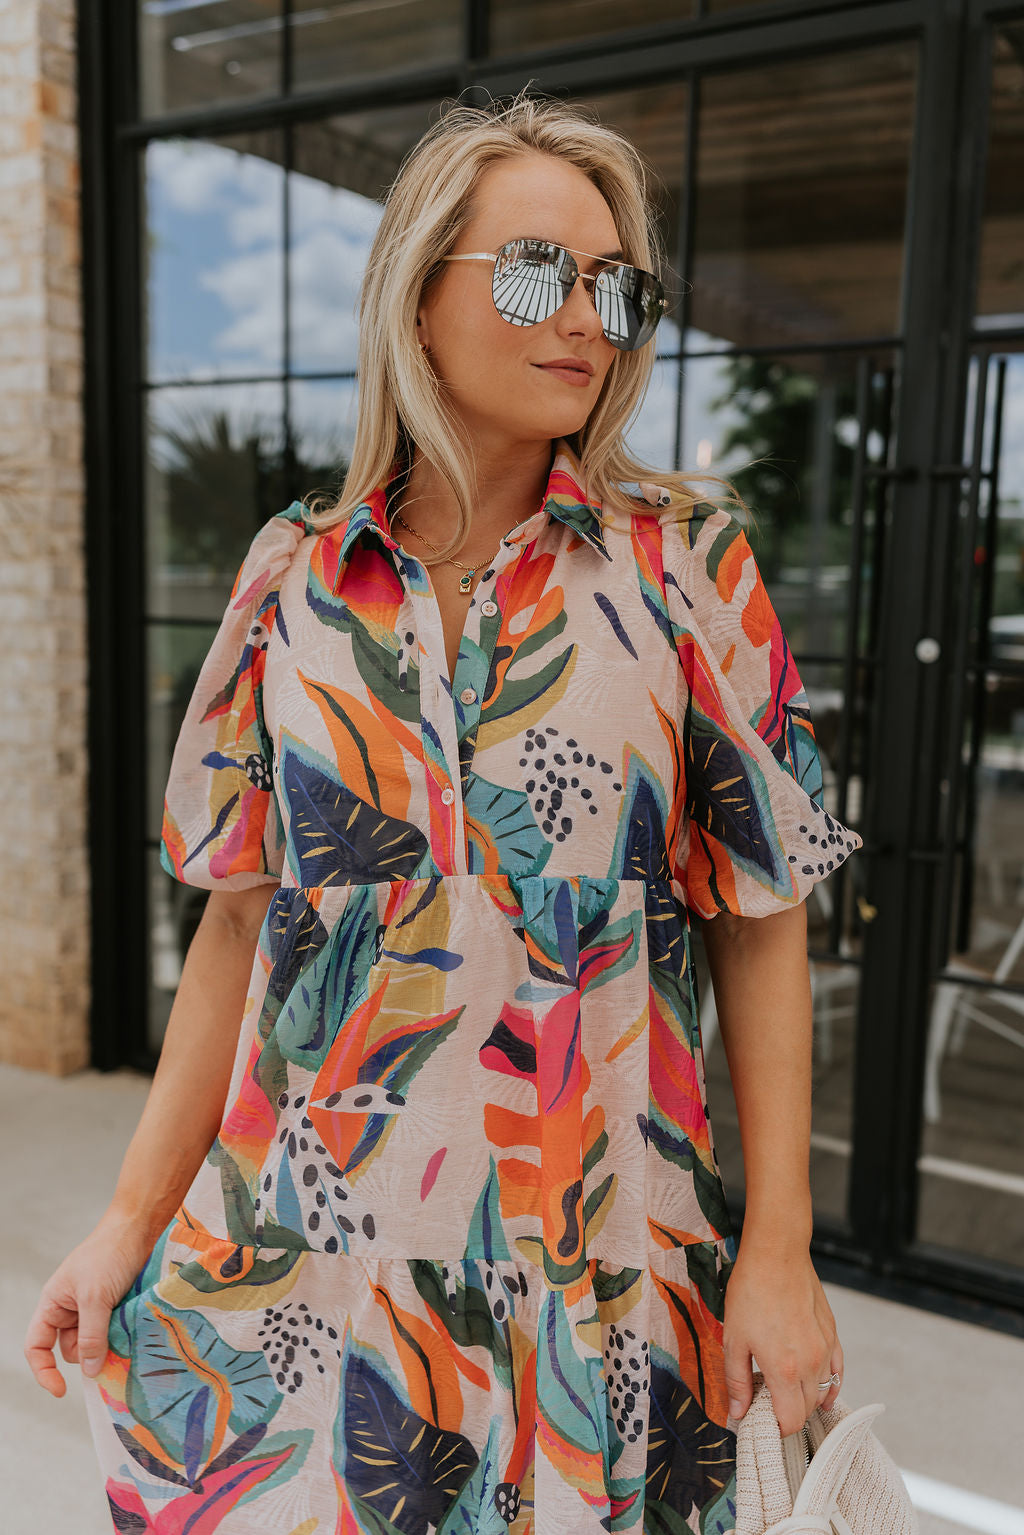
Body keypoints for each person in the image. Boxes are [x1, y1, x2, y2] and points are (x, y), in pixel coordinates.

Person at [25, 90, 862, 1534]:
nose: (587, 319)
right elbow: (238, 932)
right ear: (417, 293)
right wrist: (125, 1223)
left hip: (597, 1260)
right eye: (540, 272)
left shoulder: (686, 572)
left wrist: (778, 1249)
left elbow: (761, 922)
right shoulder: (289, 581)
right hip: (310, 1255)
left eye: (617, 286)